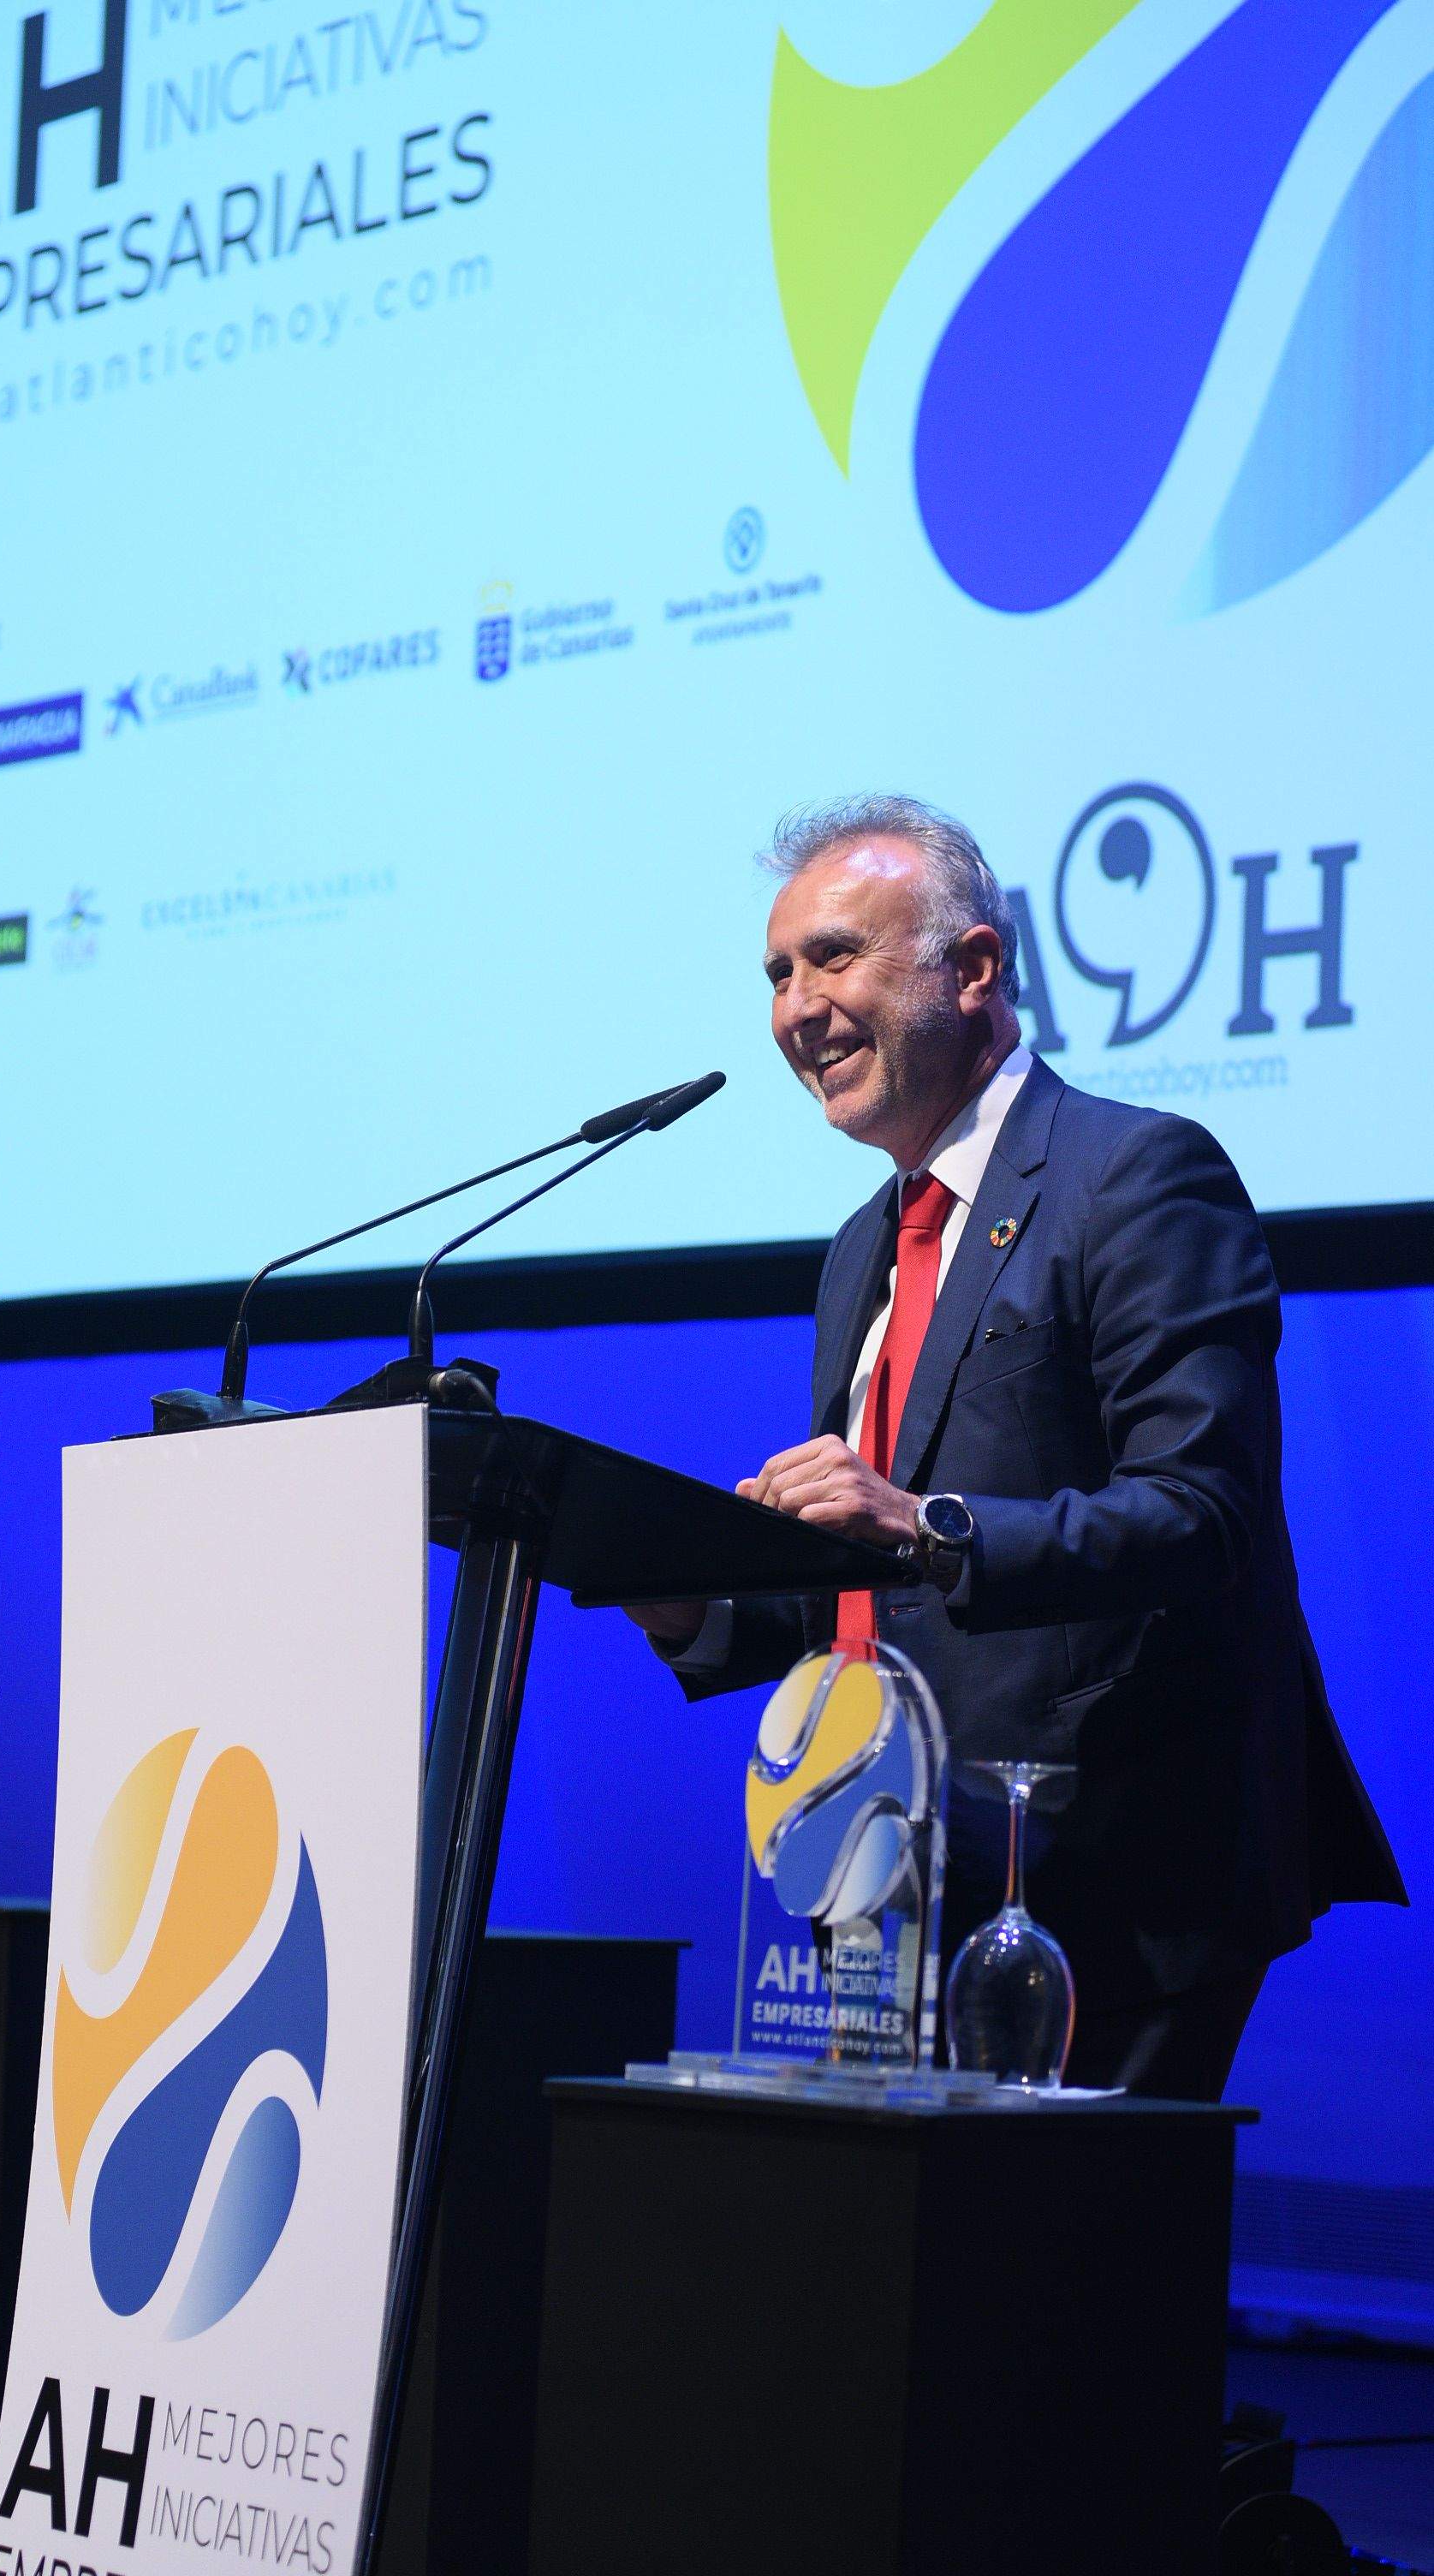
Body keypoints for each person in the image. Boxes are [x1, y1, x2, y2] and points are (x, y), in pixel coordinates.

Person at [631, 794, 1404, 2099]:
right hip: (886, 1869)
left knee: (1058, 2240)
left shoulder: (1137, 1177)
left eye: (833, 958)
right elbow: (872, 1588)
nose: (796, 1010)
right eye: (776, 975)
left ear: (975, 968)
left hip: (1107, 1880)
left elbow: (1199, 1513)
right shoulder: (861, 1249)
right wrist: (693, 1603)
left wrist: (921, 1521)